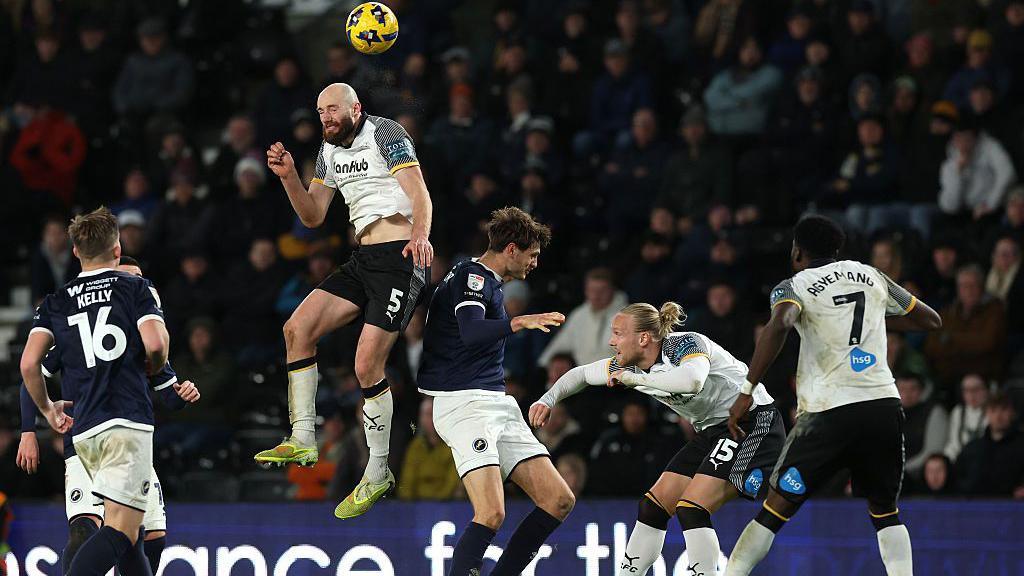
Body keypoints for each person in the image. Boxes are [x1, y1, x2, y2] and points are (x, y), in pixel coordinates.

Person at [725, 215, 942, 576]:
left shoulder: (794, 285)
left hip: (829, 410)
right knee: (885, 513)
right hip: (882, 406)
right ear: (837, 250)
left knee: (774, 509)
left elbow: (780, 323)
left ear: (797, 252)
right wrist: (873, 317)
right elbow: (930, 319)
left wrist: (746, 391)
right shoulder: (873, 275)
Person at [259, 83, 434, 520]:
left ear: (356, 108)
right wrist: (289, 178)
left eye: (333, 110)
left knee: (366, 366)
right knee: (297, 329)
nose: (326, 118)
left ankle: (378, 472)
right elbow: (313, 215)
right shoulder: (328, 151)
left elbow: (419, 192)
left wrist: (419, 236)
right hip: (364, 259)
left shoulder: (386, 132)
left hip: (400, 257)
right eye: (321, 112)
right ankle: (303, 438)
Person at [531, 301, 784, 576]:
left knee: (692, 509)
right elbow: (581, 374)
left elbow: (692, 381)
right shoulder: (631, 366)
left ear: (643, 338)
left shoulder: (684, 344)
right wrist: (548, 399)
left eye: (618, 333)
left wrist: (637, 381)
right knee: (653, 507)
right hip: (714, 429)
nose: (611, 341)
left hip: (752, 422)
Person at [17, 256, 199, 575]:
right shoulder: (80, 331)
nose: (136, 283)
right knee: (91, 529)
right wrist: (28, 430)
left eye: (139, 277)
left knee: (147, 536)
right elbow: (31, 373)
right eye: (128, 277)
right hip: (92, 440)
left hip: (128, 440)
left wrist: (183, 394)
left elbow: (169, 395)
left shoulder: (140, 337)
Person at [417, 207, 573, 576]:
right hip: (464, 404)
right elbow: (472, 331)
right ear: (512, 249)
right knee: (490, 513)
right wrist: (517, 322)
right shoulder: (471, 277)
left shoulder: (486, 281)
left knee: (558, 500)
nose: (535, 263)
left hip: (496, 402)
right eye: (532, 255)